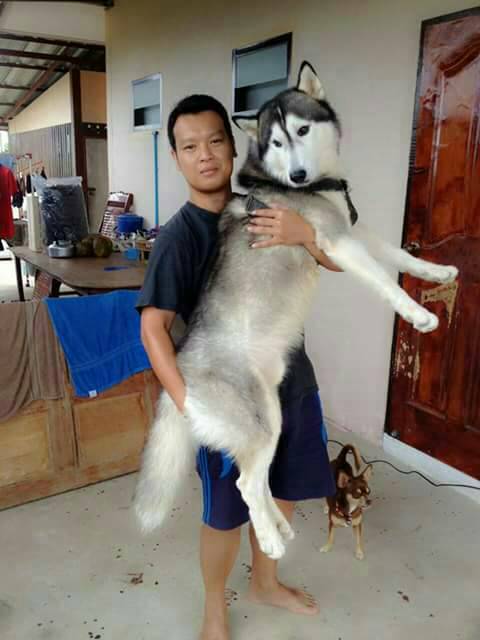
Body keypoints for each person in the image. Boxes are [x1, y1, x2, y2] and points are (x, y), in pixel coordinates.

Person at [136, 94, 340, 640]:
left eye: (214, 141)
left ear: (233, 146)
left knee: (285, 488)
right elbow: (153, 329)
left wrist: (304, 234)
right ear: (176, 158)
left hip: (292, 380)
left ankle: (264, 583)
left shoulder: (270, 204)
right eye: (189, 147)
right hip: (224, 392)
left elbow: (339, 257)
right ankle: (214, 610)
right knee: (225, 512)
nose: (204, 155)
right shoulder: (178, 238)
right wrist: (188, 405)